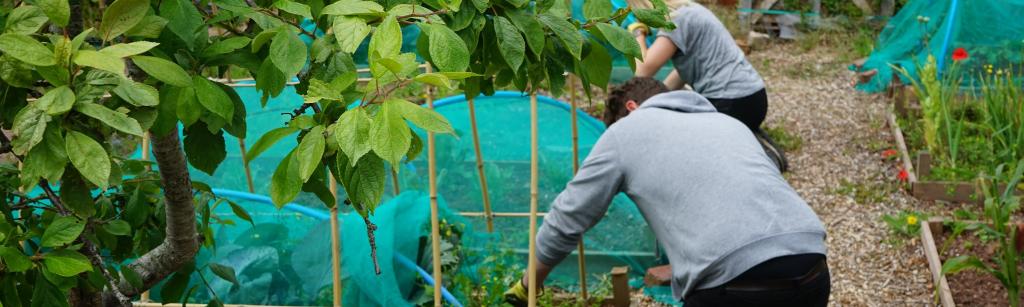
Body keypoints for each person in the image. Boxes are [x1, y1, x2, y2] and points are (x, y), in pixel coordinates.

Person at [504, 77, 830, 307]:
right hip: (812, 264)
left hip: (735, 287)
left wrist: (529, 284)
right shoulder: (728, 124)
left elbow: (569, 217)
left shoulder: (627, 131)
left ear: (631, 108)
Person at [628, 0, 788, 172]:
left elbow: (642, 70)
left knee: (685, 141)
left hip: (730, 102)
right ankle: (746, 135)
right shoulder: (690, 10)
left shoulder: (676, 20)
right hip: (751, 96)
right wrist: (656, 100)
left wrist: (638, 33)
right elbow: (683, 71)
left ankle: (762, 155)